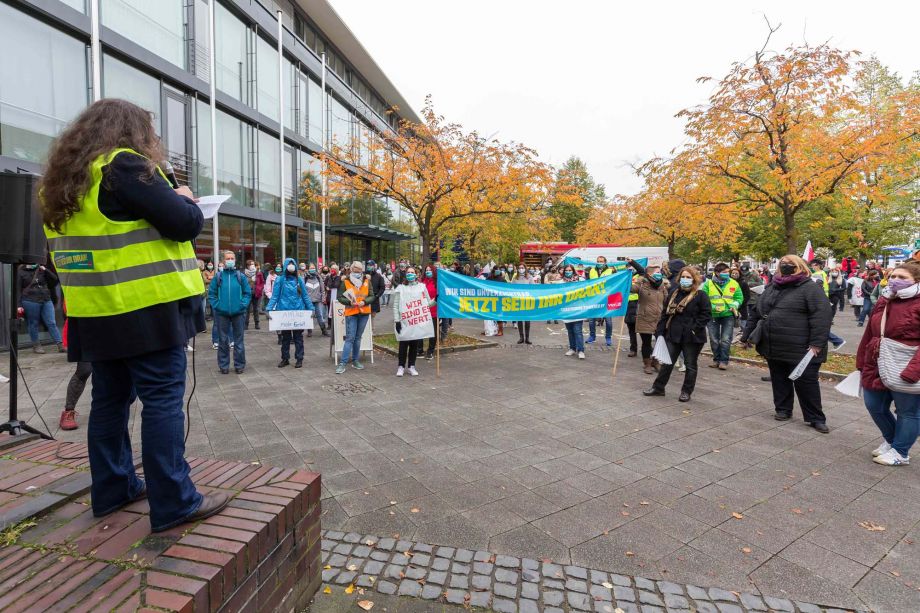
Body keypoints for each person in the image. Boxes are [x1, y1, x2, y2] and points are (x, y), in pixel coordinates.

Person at [40, 98, 227, 531]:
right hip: (146, 309)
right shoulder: (123, 166)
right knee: (162, 401)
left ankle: (112, 489)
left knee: (109, 401)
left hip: (94, 313)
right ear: (133, 132)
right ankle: (174, 501)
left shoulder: (64, 181)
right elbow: (182, 224)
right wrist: (184, 199)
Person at [741, 255, 832, 433]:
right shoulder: (772, 286)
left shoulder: (810, 288)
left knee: (806, 383)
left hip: (802, 347)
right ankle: (783, 409)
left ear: (801, 267)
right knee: (779, 378)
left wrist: (816, 343)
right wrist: (746, 336)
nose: (786, 266)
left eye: (791, 264)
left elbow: (822, 317)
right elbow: (757, 311)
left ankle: (815, 418)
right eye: (783, 264)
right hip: (774, 344)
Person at [856, 260, 920, 465]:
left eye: (902, 277)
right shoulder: (885, 299)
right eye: (893, 276)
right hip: (876, 360)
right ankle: (893, 440)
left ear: (916, 281)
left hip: (907, 363)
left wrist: (914, 371)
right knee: (874, 405)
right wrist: (861, 361)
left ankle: (900, 452)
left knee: (907, 412)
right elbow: (870, 332)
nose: (895, 280)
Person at [643, 266, 710, 401]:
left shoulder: (700, 295)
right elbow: (665, 314)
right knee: (667, 363)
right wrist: (660, 331)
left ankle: (686, 391)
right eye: (683, 277)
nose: (685, 280)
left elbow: (706, 315)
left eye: (688, 277)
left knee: (690, 365)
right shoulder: (674, 292)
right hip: (674, 334)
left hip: (692, 337)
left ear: (694, 279)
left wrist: (694, 328)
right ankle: (658, 388)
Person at [266, 258, 314, 368]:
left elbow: (305, 295)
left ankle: (299, 358)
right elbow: (275, 296)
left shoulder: (299, 280)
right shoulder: (280, 280)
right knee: (285, 338)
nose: (291, 266)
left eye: (293, 264)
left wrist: (311, 308)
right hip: (284, 313)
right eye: (289, 264)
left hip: (298, 312)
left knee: (298, 337)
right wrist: (269, 308)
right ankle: (285, 358)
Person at [209, 250, 250, 374]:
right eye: (228, 258)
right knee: (222, 340)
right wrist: (218, 306)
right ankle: (224, 365)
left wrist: (242, 306)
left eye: (232, 258)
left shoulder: (240, 276)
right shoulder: (218, 277)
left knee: (238, 341)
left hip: (238, 313)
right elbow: (212, 294)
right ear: (223, 261)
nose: (230, 260)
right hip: (222, 314)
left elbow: (247, 293)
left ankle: (239, 365)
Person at [392, 266, 435, 376]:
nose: (410, 274)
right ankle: (401, 366)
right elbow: (396, 305)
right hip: (404, 321)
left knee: (414, 345)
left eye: (412, 272)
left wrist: (436, 300)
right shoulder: (401, 288)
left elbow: (428, 303)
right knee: (403, 344)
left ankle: (412, 366)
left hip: (416, 321)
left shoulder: (422, 287)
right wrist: (397, 320)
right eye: (408, 272)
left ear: (416, 274)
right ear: (405, 274)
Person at [336, 261, 376, 374]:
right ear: (351, 269)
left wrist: (364, 302)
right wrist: (349, 302)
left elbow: (372, 295)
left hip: (364, 312)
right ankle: (342, 363)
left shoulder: (367, 280)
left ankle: (355, 360)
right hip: (351, 312)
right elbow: (339, 297)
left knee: (358, 338)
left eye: (359, 268)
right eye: (355, 268)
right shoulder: (346, 281)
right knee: (350, 338)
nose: (357, 270)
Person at [701, 262, 742, 370]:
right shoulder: (708, 284)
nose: (727, 274)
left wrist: (734, 305)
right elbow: (703, 299)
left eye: (728, 272)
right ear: (717, 273)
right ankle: (716, 359)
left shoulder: (734, 283)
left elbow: (739, 298)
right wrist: (713, 307)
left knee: (725, 339)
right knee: (714, 339)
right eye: (724, 272)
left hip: (728, 314)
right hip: (713, 315)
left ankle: (724, 361)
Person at [18, 262, 63, 353]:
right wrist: (19, 305)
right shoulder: (20, 272)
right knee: (33, 323)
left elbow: (55, 280)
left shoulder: (41, 269)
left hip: (46, 299)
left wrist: (46, 270)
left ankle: (60, 344)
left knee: (51, 322)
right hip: (30, 300)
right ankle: (36, 345)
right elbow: (17, 290)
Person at [633, 265, 670, 373]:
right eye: (657, 272)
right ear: (649, 274)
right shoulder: (642, 284)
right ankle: (647, 363)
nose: (660, 274)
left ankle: (656, 361)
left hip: (659, 319)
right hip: (645, 318)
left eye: (660, 272)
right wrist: (628, 277)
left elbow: (666, 300)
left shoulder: (663, 285)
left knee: (660, 341)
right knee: (646, 342)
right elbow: (631, 289)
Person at [809, 258, 846, 350]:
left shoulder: (817, 275)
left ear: (816, 265)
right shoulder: (823, 273)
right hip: (823, 301)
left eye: (812, 265)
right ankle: (835, 341)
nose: (811, 267)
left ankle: (836, 341)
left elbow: (815, 289)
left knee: (815, 326)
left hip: (818, 302)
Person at [560, 264, 586, 359]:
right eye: (566, 270)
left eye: (570, 270)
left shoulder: (580, 280)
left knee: (577, 330)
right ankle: (572, 348)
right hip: (566, 309)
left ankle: (581, 350)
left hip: (578, 308)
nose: (568, 272)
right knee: (570, 330)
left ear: (573, 271)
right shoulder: (561, 282)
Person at [587, 257, 614, 346]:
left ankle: (608, 337)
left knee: (608, 321)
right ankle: (592, 336)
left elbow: (617, 282)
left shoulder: (611, 271)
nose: (599, 263)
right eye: (598, 261)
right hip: (594, 298)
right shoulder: (591, 271)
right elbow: (587, 283)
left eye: (601, 261)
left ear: (605, 262)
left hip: (607, 298)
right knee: (591, 320)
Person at [422, 265, 445, 359]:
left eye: (430, 270)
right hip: (423, 311)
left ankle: (430, 351)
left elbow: (440, 296)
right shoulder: (422, 282)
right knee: (421, 331)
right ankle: (419, 350)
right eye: (426, 270)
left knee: (433, 332)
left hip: (434, 311)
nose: (428, 272)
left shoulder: (437, 283)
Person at [303, 263, 327, 337]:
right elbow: (303, 290)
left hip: (318, 300)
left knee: (320, 315)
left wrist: (323, 298)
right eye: (311, 268)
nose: (312, 269)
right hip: (308, 301)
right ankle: (309, 331)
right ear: (308, 269)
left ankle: (324, 331)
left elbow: (322, 289)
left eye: (313, 268)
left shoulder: (318, 277)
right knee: (309, 316)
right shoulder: (305, 278)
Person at [512, 265, 534, 344]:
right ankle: (521, 337)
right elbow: (511, 289)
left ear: (525, 269)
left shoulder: (529, 277)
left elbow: (533, 288)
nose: (521, 269)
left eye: (522, 268)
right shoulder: (515, 278)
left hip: (527, 301)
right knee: (519, 319)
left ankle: (527, 338)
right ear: (518, 269)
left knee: (527, 320)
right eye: (520, 268)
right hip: (518, 301)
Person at [243, 259, 264, 330]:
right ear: (247, 266)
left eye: (253, 264)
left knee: (256, 309)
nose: (252, 266)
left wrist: (259, 289)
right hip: (247, 294)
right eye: (250, 264)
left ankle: (257, 323)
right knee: (247, 309)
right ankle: (246, 324)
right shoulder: (244, 273)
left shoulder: (258, 273)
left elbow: (262, 282)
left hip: (256, 293)